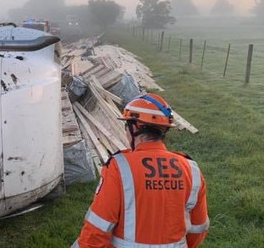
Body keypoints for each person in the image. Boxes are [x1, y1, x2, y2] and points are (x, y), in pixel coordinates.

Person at [71, 93, 209, 248]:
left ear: (135, 127)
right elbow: (199, 227)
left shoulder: (119, 167)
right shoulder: (191, 169)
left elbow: (96, 230)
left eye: (126, 126)